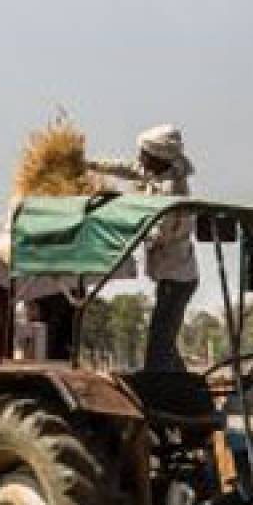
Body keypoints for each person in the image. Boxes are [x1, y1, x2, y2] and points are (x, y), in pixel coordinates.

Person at [92, 124, 198, 371]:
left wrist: (124, 223)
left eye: (144, 155)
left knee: (159, 343)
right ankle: (187, 389)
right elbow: (127, 168)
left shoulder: (173, 193)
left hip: (177, 277)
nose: (139, 159)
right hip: (172, 275)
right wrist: (89, 164)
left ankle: (158, 388)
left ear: (159, 157)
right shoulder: (157, 172)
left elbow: (161, 234)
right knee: (166, 340)